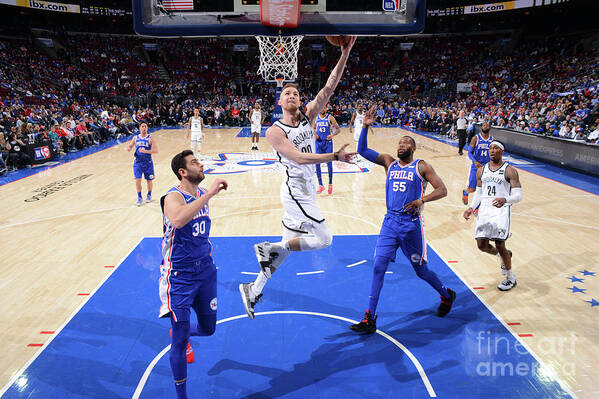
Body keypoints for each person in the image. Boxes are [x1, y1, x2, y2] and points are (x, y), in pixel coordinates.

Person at [239, 36, 358, 319]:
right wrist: (334, 157)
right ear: (279, 101)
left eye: (296, 93)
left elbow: (330, 85)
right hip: (296, 193)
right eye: (287, 93)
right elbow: (300, 157)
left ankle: (253, 290)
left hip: (305, 190)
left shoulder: (309, 115)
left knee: (285, 251)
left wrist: (346, 51)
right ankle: (269, 248)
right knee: (325, 239)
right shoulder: (274, 131)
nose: (292, 96)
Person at [350, 106, 456, 334]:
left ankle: (447, 295)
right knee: (378, 266)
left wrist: (422, 200)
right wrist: (365, 126)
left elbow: (443, 190)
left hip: (411, 226)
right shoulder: (389, 163)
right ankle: (370, 318)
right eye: (399, 142)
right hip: (390, 223)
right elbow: (362, 150)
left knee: (420, 271)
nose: (401, 145)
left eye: (406, 142)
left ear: (413, 148)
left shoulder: (421, 166)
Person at [159, 149, 228, 399]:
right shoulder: (172, 197)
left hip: (206, 271)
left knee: (209, 329)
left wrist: (206, 194)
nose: (201, 164)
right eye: (194, 162)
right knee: (179, 341)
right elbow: (177, 220)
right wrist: (210, 194)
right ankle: (182, 396)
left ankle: (185, 331)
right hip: (180, 277)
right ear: (183, 171)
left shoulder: (199, 194)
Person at [463, 140, 521, 291]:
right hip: (485, 211)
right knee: (481, 245)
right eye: (490, 148)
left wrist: (505, 199)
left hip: (501, 211)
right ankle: (503, 255)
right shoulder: (481, 170)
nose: (492, 150)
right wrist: (471, 207)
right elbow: (479, 192)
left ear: (502, 151)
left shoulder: (510, 171)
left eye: (495, 148)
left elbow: (518, 196)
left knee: (499, 243)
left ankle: (510, 277)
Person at [462, 121, 493, 205]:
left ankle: (477, 207)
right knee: (472, 189)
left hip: (487, 167)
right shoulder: (475, 138)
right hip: (476, 166)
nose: (485, 126)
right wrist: (475, 161)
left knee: (483, 188)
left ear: (490, 128)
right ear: (481, 127)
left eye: (487, 125)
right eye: (484, 125)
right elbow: (469, 153)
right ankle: (465, 192)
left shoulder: (492, 139)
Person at [127, 122, 158, 206]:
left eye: (145, 126)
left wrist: (146, 151)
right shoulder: (135, 137)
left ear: (147, 128)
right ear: (139, 128)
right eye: (142, 126)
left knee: (149, 180)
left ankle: (149, 194)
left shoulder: (150, 138)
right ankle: (139, 197)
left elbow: (156, 151)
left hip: (148, 162)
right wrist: (129, 148)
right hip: (138, 162)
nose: (144, 128)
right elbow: (131, 145)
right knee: (137, 180)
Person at [313, 106, 340, 194]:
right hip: (319, 143)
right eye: (321, 107)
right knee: (317, 163)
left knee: (329, 163)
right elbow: (313, 128)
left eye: (324, 107)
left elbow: (338, 129)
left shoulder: (330, 117)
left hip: (328, 143)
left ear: (326, 108)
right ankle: (321, 185)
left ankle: (330, 184)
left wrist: (332, 135)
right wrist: (314, 134)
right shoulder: (316, 118)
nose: (322, 109)